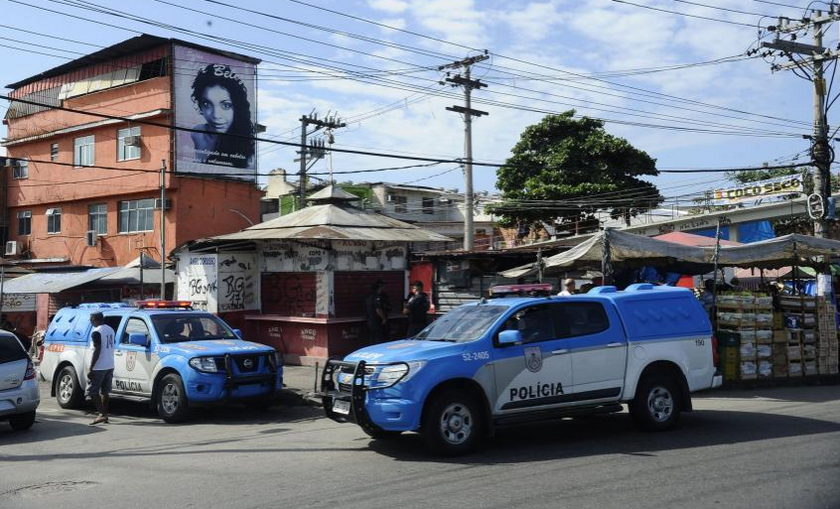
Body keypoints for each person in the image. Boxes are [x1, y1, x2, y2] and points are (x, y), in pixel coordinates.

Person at [189, 63, 255, 169]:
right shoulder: (197, 134)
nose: (216, 115)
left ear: (238, 107)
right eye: (207, 104)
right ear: (200, 105)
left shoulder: (248, 152)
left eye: (226, 105)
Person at [87, 312, 115, 425]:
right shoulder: (110, 329)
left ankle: (102, 414)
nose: (90, 322)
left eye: (91, 319)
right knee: (105, 391)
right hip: (110, 364)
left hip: (99, 366)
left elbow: (97, 350)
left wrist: (91, 367)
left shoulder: (96, 332)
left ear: (95, 319)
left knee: (92, 391)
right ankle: (104, 414)